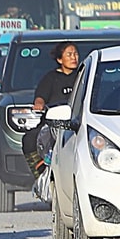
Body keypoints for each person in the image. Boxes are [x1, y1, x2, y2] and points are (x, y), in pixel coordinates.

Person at [23, 40, 83, 175]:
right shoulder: (50, 78)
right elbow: (40, 96)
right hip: (53, 124)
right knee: (29, 139)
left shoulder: (82, 76)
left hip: (77, 122)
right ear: (59, 59)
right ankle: (40, 174)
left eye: (75, 54)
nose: (73, 57)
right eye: (69, 54)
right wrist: (39, 103)